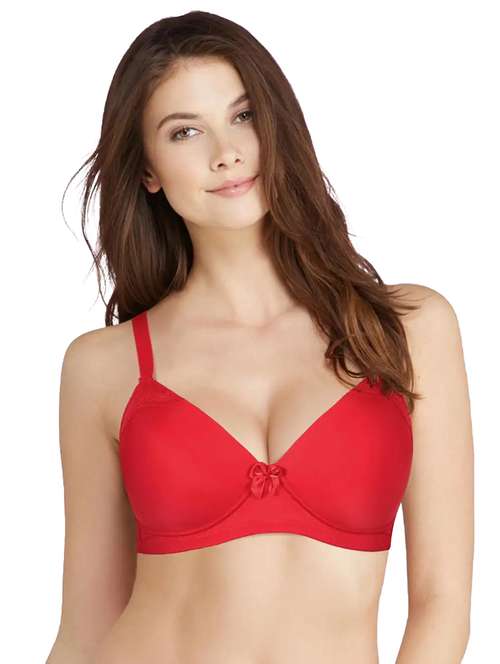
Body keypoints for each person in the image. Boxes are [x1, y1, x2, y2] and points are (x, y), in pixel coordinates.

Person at [46, 10, 474, 664]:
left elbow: (443, 606)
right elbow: (84, 631)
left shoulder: (410, 329)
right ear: (148, 170)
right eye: (185, 131)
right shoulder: (103, 367)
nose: (226, 152)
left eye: (243, 116)